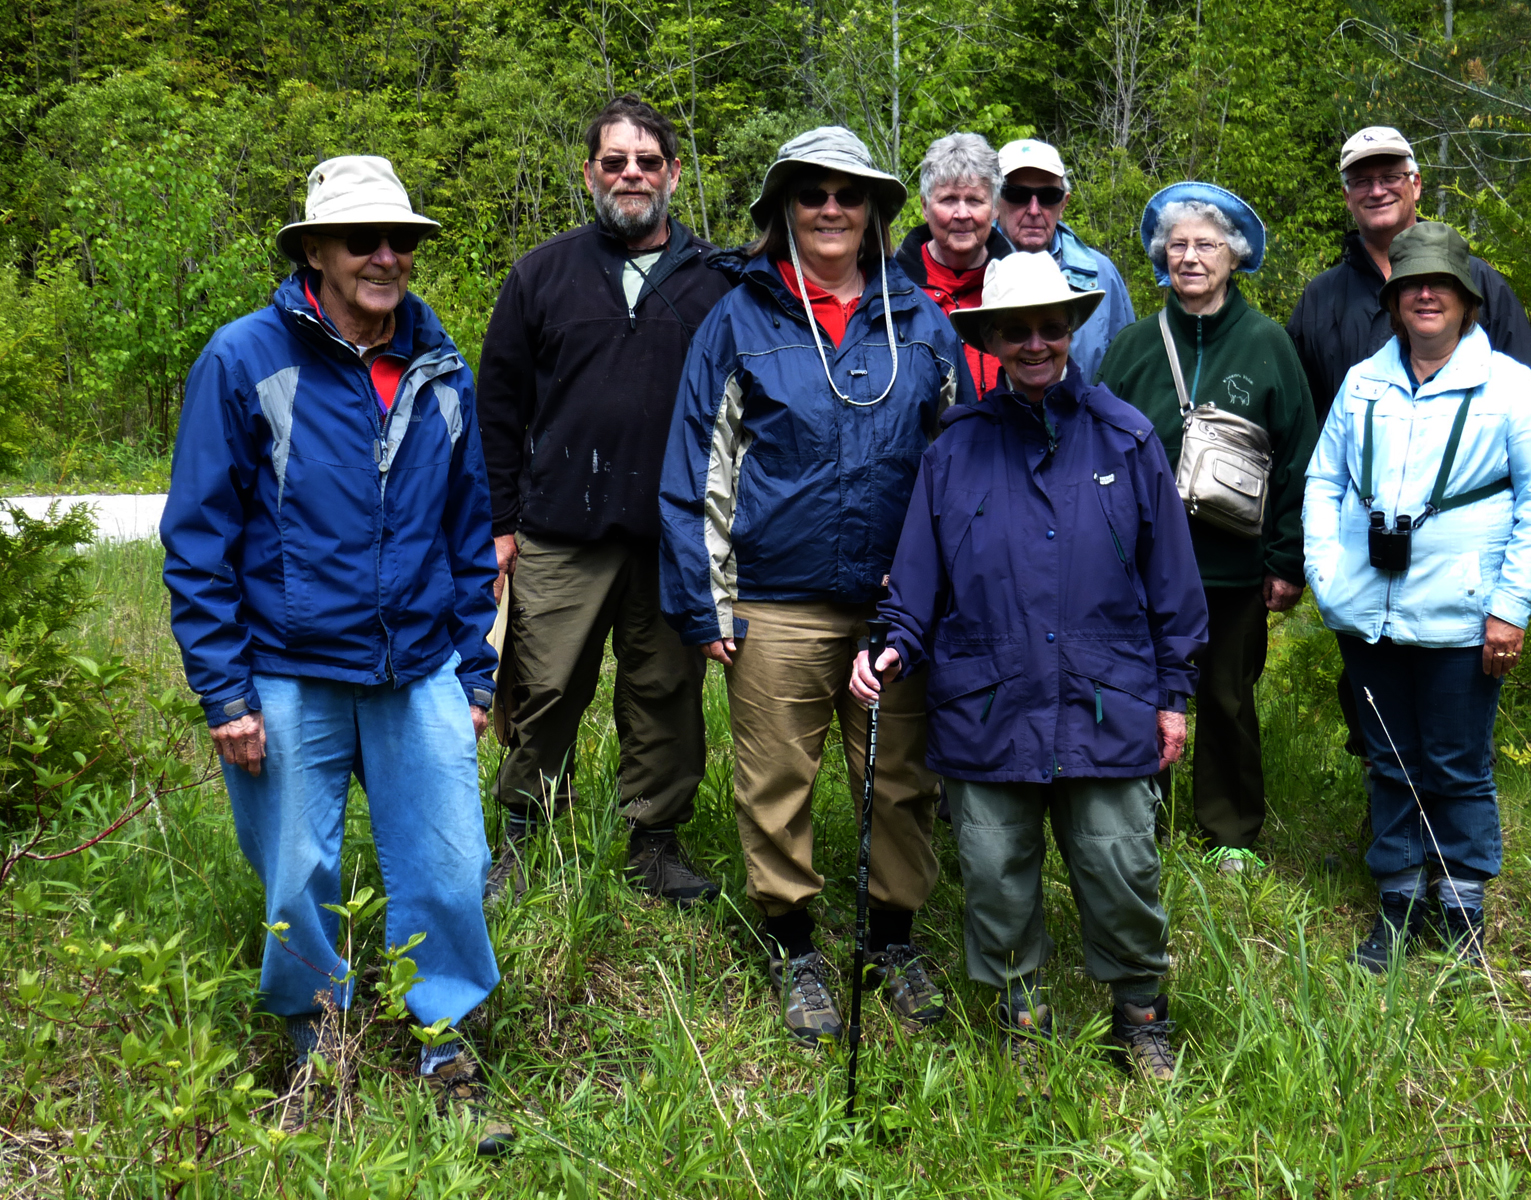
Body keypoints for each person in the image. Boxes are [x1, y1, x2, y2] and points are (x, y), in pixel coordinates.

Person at [160, 156, 509, 1151]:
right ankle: (319, 1029)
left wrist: (474, 670)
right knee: (295, 873)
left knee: (449, 866)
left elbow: (465, 528)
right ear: (314, 251)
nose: (387, 257)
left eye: (402, 240)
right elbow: (197, 538)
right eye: (364, 240)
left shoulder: (443, 364)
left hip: (422, 671)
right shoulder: (242, 360)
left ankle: (442, 1029)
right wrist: (224, 690)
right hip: (284, 672)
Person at [851, 251, 1208, 1081]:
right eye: (1019, 331)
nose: (1037, 343)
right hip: (988, 701)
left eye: (1052, 327)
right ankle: (1024, 1017)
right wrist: (893, 644)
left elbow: (1174, 586)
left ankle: (1140, 1016)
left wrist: (1173, 695)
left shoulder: (1127, 435)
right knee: (995, 871)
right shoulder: (955, 447)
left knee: (1122, 864)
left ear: (1074, 330)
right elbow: (917, 579)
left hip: (1107, 698)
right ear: (996, 340)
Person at [659, 126, 975, 1045]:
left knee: (899, 784)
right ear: (783, 210)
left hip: (895, 612)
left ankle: (893, 938)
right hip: (774, 599)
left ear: (876, 209)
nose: (830, 209)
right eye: (811, 194)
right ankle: (795, 946)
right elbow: (697, 471)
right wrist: (706, 601)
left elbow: (959, 466)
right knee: (776, 783)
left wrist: (948, 597)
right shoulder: (737, 320)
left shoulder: (920, 318)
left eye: (848, 194)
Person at [477, 94, 732, 905]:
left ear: (674, 174)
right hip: (560, 530)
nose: (631, 174)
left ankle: (654, 842)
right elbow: (499, 406)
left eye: (647, 162)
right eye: (615, 161)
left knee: (664, 693)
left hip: (673, 537)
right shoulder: (540, 273)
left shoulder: (716, 283)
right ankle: (525, 832)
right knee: (543, 685)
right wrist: (499, 524)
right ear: (589, 172)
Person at [1302, 221, 1531, 972]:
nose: (1425, 294)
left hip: (1463, 614)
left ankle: (1461, 907)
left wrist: (1512, 605)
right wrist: (1327, 571)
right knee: (1389, 758)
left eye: (1440, 284)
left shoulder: (1508, 386)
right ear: (1392, 301)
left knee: (1455, 762)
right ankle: (1398, 900)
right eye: (1411, 284)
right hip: (1372, 614)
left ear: (1466, 300)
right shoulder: (1364, 383)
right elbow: (1325, 481)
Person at [1287, 126, 1531, 767]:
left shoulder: (1478, 283)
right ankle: (1389, 830)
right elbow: (1304, 429)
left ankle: (1448, 843)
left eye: (1389, 175)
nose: (1376, 188)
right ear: (1348, 196)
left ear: (1416, 183)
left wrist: (1510, 566)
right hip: (1363, 552)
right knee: (1375, 717)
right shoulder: (1323, 297)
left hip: (1454, 565)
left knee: (1452, 728)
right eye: (1361, 178)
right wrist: (1318, 556)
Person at [1095, 183, 1316, 869]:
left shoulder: (1268, 343)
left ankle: (1230, 834)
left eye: (1207, 244)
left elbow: (1299, 456)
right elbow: (1094, 449)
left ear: (1234, 256)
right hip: (1138, 569)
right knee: (1139, 694)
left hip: (1233, 567)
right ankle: (1140, 825)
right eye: (1179, 245)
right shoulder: (1132, 347)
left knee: (1226, 697)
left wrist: (1285, 559)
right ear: (1163, 257)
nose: (1191, 257)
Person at [992, 138, 1135, 380]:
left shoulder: (1101, 274)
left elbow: (1128, 372)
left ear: (1064, 204)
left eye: (1048, 196)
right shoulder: (972, 270)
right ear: (995, 201)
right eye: (1018, 195)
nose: (1034, 210)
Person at [895, 131, 1012, 395]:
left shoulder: (1019, 285)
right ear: (925, 206)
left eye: (974, 200)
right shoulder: (891, 289)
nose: (962, 214)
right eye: (948, 200)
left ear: (995, 208)